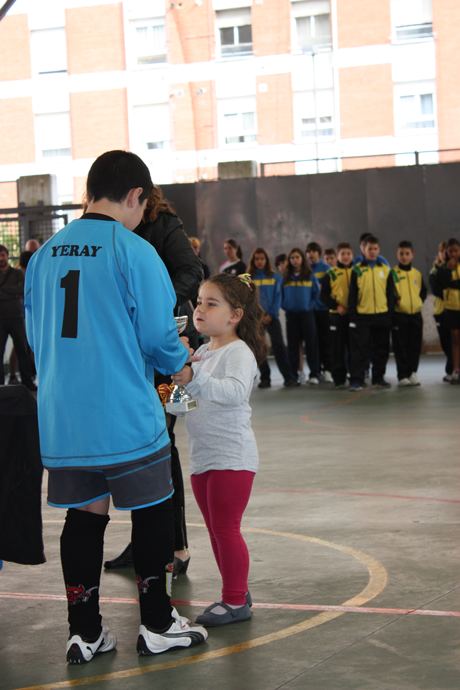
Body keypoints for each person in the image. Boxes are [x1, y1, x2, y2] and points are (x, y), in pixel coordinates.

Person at [24, 150, 207, 664]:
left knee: (83, 517)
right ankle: (157, 624)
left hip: (64, 419)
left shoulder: (42, 255)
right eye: (142, 206)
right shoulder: (133, 250)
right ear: (135, 196)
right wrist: (180, 362)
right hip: (124, 414)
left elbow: (35, 337)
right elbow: (158, 336)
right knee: (152, 510)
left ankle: (84, 632)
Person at [104, 185, 204, 577]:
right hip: (132, 354)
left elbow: (192, 272)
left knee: (162, 441)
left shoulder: (162, 224)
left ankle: (175, 544)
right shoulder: (110, 231)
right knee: (142, 445)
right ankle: (148, 539)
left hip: (169, 354)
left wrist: (153, 301)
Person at [171, 272, 265, 627]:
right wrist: (172, 377)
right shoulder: (203, 353)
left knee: (226, 529)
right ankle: (237, 591)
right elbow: (181, 407)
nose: (200, 309)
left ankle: (235, 601)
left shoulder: (238, 353)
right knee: (215, 531)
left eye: (211, 304)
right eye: (199, 302)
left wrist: (195, 377)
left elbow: (234, 393)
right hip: (203, 459)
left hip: (232, 458)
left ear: (235, 315)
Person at [347, 235, 396, 391]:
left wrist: (389, 314)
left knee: (381, 349)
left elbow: (390, 294)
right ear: (363, 250)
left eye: (375, 249)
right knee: (360, 350)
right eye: (370, 249)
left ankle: (378, 378)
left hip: (382, 316)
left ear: (379, 250)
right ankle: (357, 380)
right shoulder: (356, 270)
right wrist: (353, 316)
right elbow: (352, 295)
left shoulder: (386, 270)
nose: (373, 252)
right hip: (362, 317)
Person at [248, 248, 297, 388]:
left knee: (279, 346)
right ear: (253, 261)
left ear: (266, 260)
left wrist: (271, 314)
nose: (259, 261)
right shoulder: (249, 278)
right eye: (257, 259)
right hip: (257, 318)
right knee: (260, 348)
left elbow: (278, 297)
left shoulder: (276, 277)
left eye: (262, 259)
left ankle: (288, 378)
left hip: (272, 317)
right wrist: (259, 315)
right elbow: (248, 299)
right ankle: (265, 378)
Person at [282, 248, 321, 384]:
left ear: (302, 259)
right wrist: (286, 306)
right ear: (289, 260)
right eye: (292, 258)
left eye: (297, 257)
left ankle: (314, 374)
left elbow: (316, 293)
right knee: (293, 346)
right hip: (291, 315)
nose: (295, 260)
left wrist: (310, 306)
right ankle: (294, 375)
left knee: (311, 345)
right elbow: (280, 294)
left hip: (307, 315)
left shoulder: (310, 275)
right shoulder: (285, 277)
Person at [0, 244, 36, 391]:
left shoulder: (17, 273)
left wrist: (3, 290)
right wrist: (12, 292)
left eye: (3, 255)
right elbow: (16, 291)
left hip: (17, 317)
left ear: (7, 256)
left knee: (23, 351)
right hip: (1, 319)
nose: (1, 258)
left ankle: (27, 381)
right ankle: (1, 385)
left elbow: (21, 289)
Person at [391, 241, 427, 386]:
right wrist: (398, 303)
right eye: (401, 254)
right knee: (401, 346)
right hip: (399, 315)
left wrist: (418, 303)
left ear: (412, 255)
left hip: (416, 315)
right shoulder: (392, 273)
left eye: (407, 254)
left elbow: (423, 292)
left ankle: (413, 372)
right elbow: (390, 293)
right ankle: (402, 375)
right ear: (397, 255)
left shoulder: (417, 273)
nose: (404, 257)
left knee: (415, 345)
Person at [320, 242, 354, 388]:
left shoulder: (357, 272)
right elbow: (323, 296)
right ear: (337, 256)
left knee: (355, 348)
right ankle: (339, 378)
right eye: (342, 254)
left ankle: (356, 376)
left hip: (354, 316)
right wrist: (336, 306)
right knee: (337, 348)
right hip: (336, 316)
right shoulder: (331, 274)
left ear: (352, 255)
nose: (345, 256)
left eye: (348, 254)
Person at [430, 237, 460, 384]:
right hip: (451, 309)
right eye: (450, 251)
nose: (453, 254)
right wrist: (449, 269)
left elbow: (452, 284)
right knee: (454, 340)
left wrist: (454, 284)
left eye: (456, 251)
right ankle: (456, 370)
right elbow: (443, 285)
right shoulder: (442, 269)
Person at [306, 242, 332, 382]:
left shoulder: (326, 268)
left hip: (324, 310)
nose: (311, 254)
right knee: (312, 342)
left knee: (325, 340)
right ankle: (315, 371)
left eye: (314, 251)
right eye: (308, 251)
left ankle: (328, 369)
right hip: (310, 311)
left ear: (319, 253)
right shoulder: (305, 270)